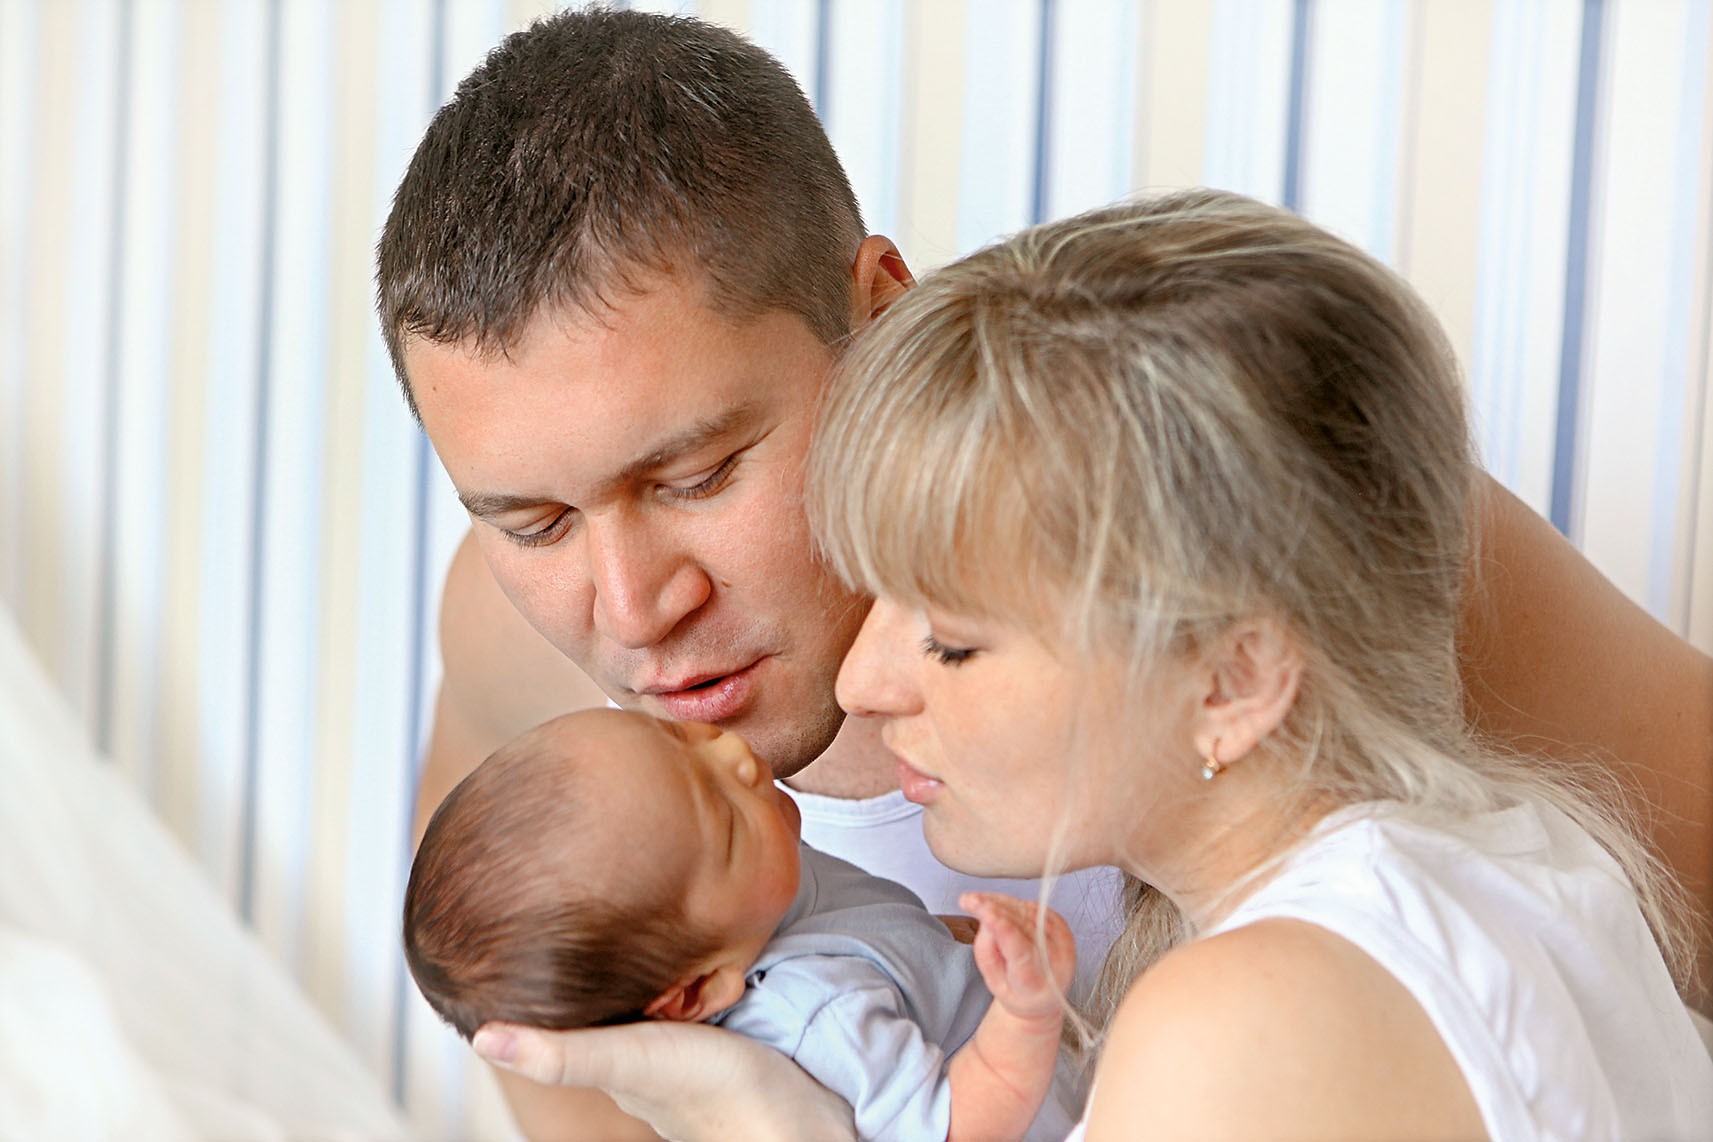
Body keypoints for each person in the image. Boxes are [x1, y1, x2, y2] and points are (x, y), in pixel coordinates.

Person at [376, 8, 1713, 1138]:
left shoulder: (1241, 507)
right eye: (533, 522)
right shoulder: (518, 660)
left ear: (878, 311)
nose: (631, 609)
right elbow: (541, 1027)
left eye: (696, 474)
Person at [404, 707, 1078, 1140]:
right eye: (725, 816)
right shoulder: (812, 1015)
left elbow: (876, 945)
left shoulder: (753, 895)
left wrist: (939, 951)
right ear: (699, 991)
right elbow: (955, 1127)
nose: (735, 757)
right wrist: (1023, 1013)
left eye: (677, 736)